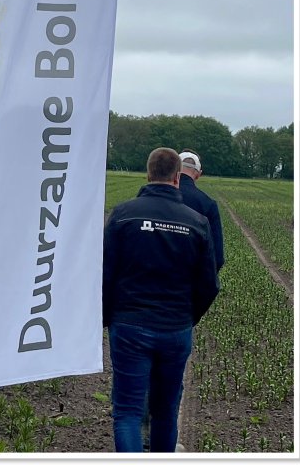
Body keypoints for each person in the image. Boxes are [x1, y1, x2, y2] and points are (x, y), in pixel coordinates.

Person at [103, 148, 219, 453]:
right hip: (175, 329)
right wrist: (186, 317)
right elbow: (209, 284)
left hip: (128, 325)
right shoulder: (197, 222)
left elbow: (105, 274)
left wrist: (108, 317)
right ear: (177, 177)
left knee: (127, 411)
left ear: (148, 173)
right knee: (165, 412)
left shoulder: (123, 215)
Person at [176, 151, 224, 272]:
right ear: (198, 174)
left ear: (174, 169)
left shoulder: (154, 198)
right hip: (189, 284)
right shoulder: (208, 204)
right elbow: (217, 257)